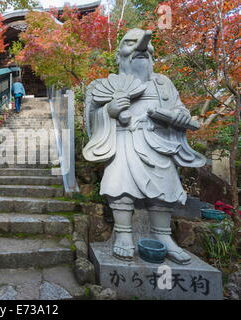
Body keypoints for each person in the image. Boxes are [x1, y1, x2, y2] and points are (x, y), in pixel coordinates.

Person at [83, 29, 206, 264]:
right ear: (118, 56)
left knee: (164, 189)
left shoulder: (163, 83)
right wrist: (108, 111)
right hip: (122, 140)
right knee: (120, 185)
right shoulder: (104, 84)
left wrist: (178, 117)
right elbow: (90, 119)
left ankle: (163, 236)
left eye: (146, 48)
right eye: (129, 44)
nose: (141, 48)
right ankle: (123, 234)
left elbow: (180, 109)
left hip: (157, 142)